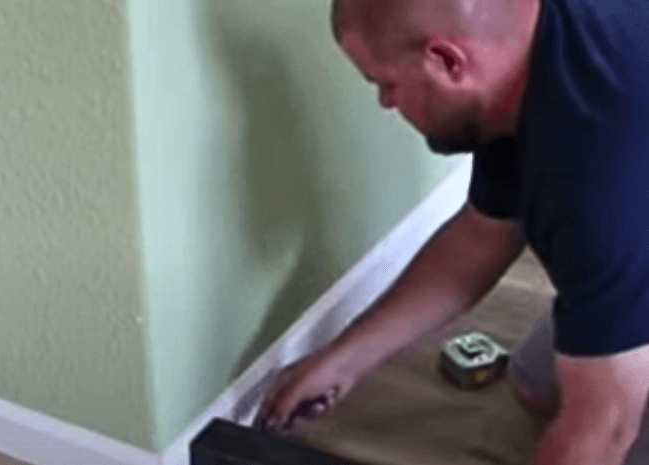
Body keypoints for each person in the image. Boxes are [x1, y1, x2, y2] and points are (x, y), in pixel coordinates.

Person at [254, 0, 649, 463]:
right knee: (538, 386)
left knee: (609, 429)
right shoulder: (525, 58)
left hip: (622, 198)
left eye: (385, 84)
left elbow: (604, 428)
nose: (386, 103)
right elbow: (482, 237)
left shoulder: (593, 181)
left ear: (446, 60)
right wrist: (342, 360)